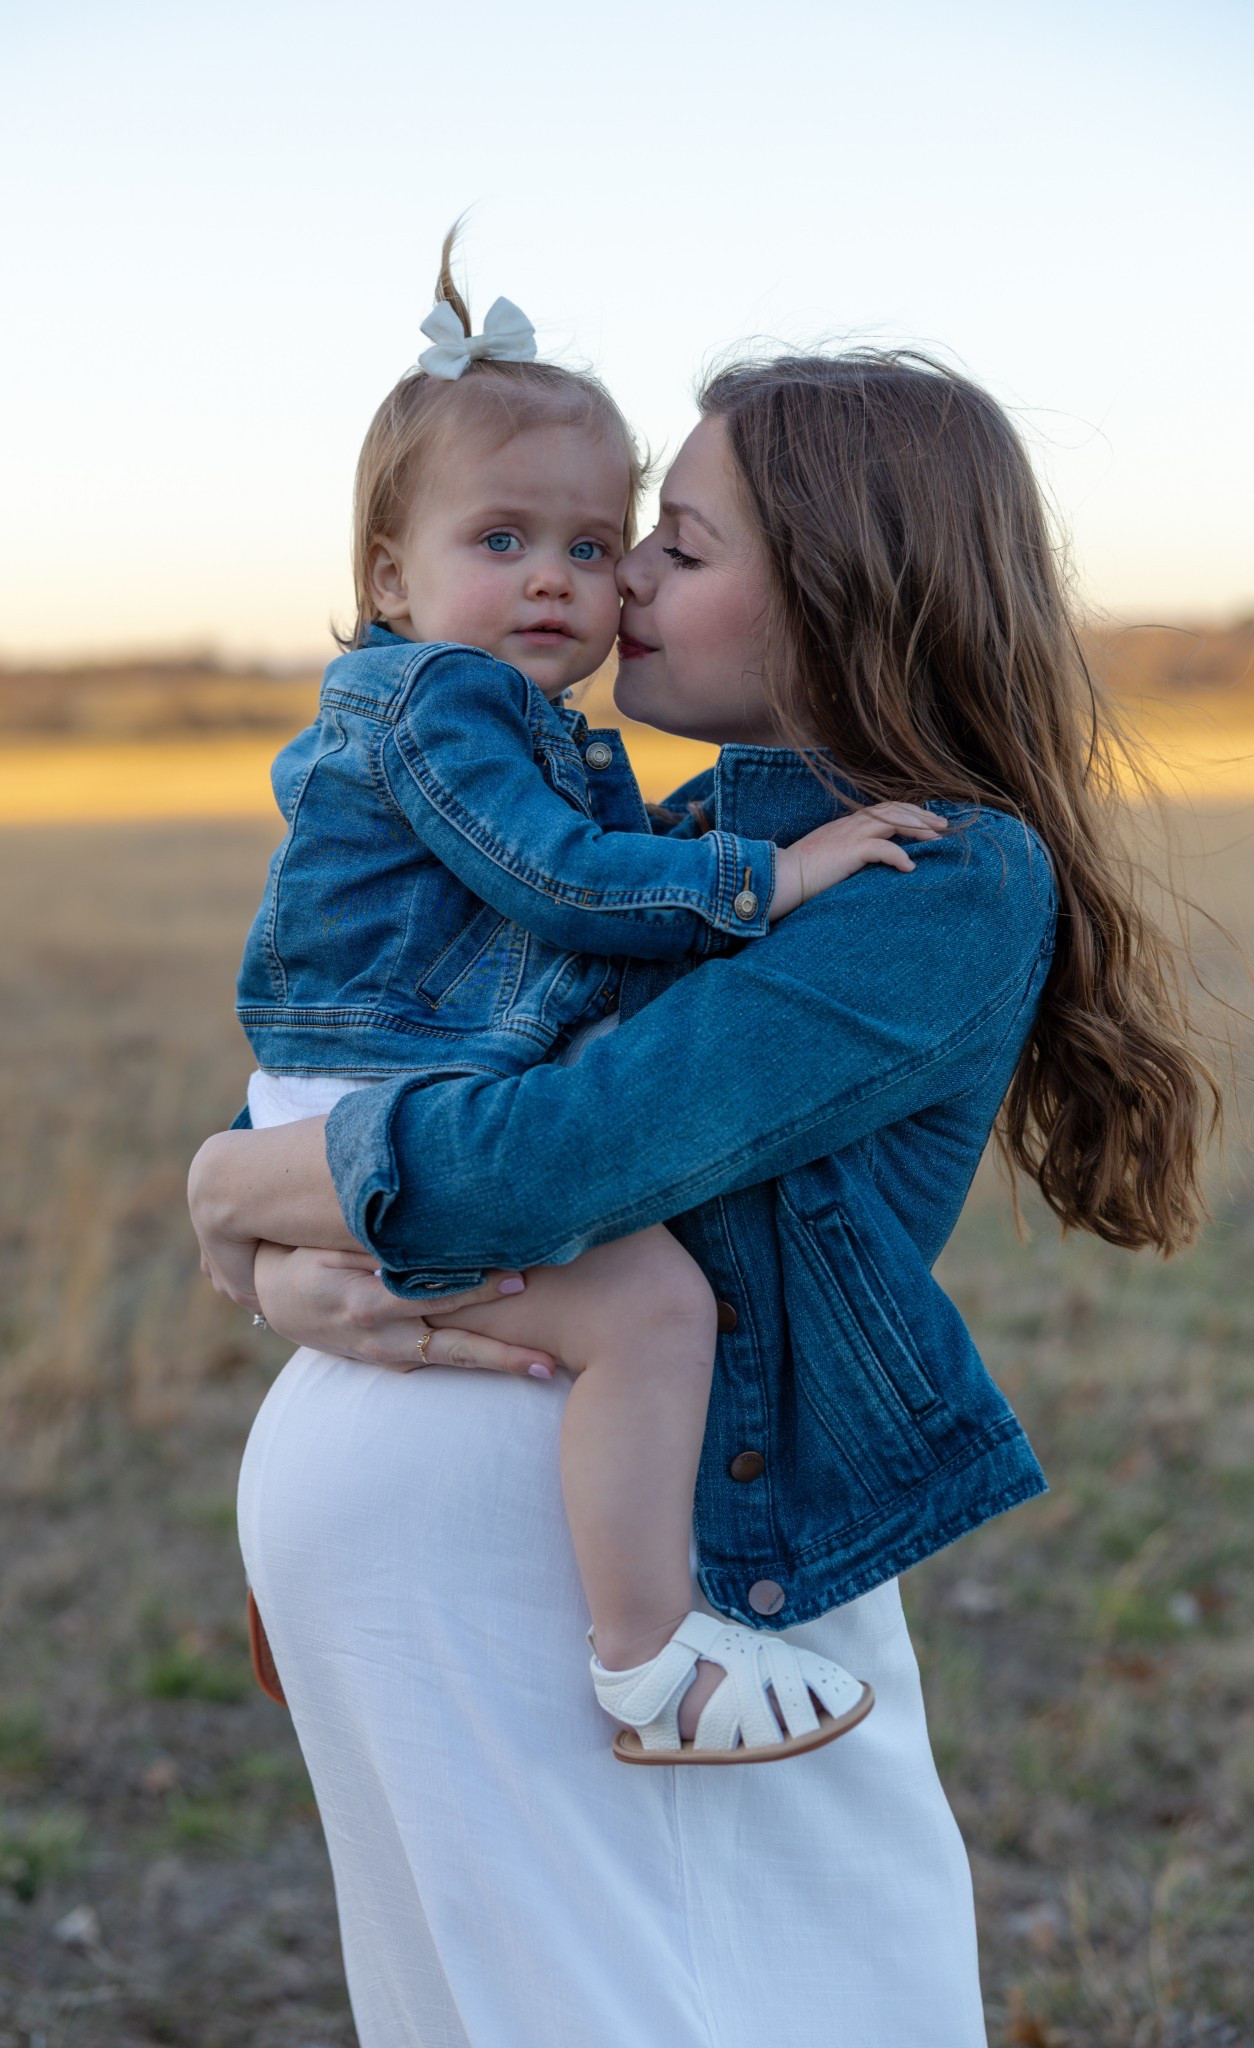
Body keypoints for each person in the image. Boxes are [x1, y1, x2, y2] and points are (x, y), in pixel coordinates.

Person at [190, 346, 1216, 2047]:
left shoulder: (935, 876)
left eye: (676, 536)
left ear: (837, 589)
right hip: (508, 1590)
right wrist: (270, 1242)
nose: (619, 578)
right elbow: (405, 1070)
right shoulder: (667, 857)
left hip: (631, 1584)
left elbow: (557, 1155)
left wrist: (244, 1187)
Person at [231, 238, 941, 1761]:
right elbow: (560, 888)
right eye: (500, 538)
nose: (563, 579)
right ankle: (646, 1663)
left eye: (603, 541)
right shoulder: (448, 703)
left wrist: (240, 1192)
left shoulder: (524, 725)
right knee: (647, 1304)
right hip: (391, 1114)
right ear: (385, 576)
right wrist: (773, 877)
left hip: (384, 1120)